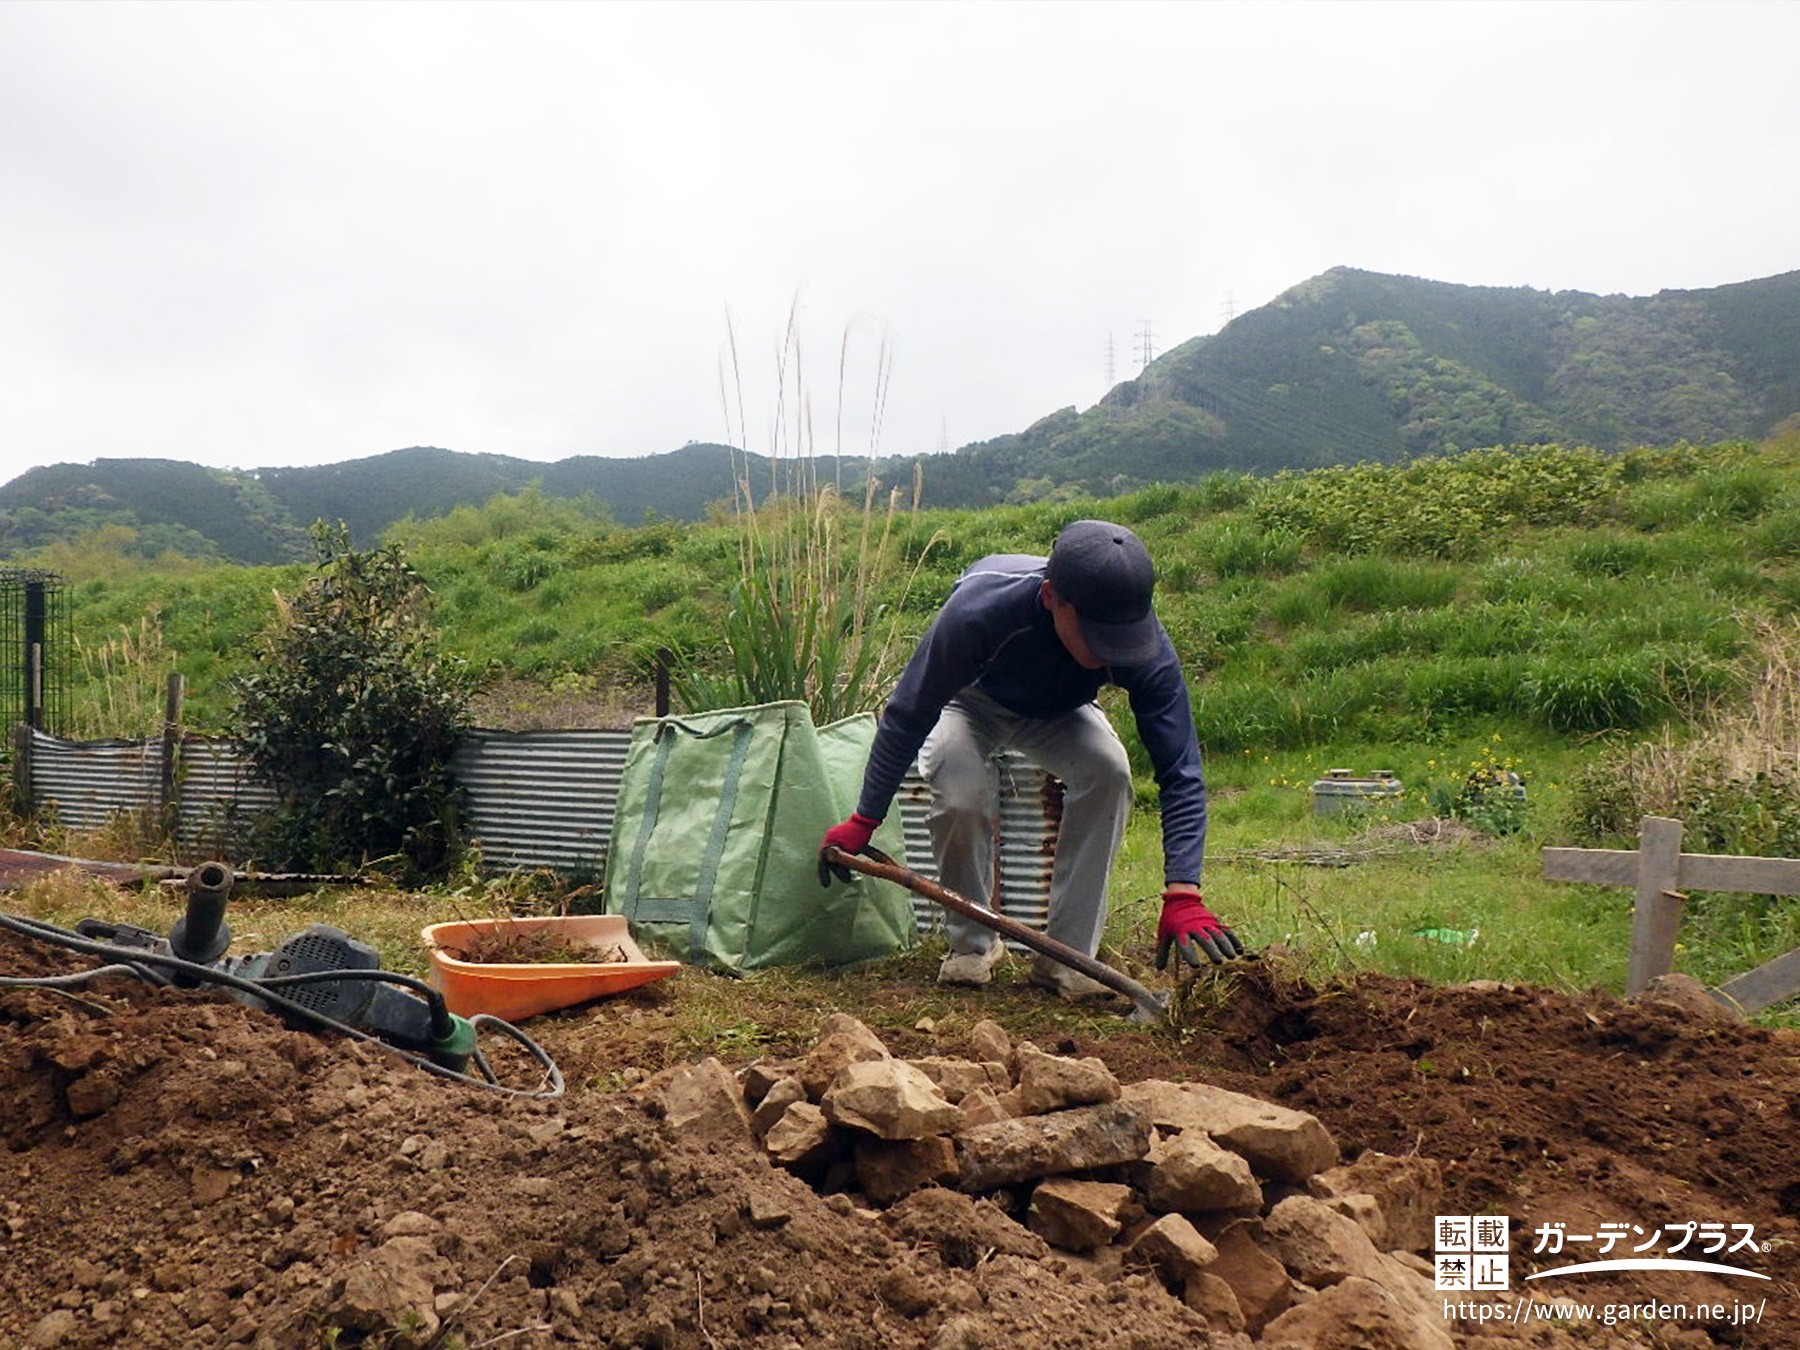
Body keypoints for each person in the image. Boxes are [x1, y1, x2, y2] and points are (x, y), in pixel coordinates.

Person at [818, 518, 1245, 997]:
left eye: (1120, 641)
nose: (1112, 654)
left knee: (1109, 773)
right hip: (971, 701)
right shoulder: (978, 611)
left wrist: (1183, 889)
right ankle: (973, 947)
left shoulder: (1141, 645)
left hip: (1062, 710)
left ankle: (1068, 961)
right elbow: (907, 715)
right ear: (1051, 599)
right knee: (959, 794)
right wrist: (864, 819)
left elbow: (1180, 770)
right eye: (1096, 637)